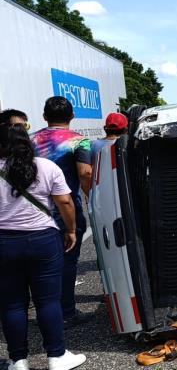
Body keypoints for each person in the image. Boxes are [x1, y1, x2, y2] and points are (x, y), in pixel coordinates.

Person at [0, 118, 87, 370]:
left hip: (4, 242)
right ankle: (57, 357)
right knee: (48, 301)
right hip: (43, 240)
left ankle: (19, 361)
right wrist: (70, 230)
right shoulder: (46, 167)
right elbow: (66, 202)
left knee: (12, 304)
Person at [31, 97, 93, 329]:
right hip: (66, 207)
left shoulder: (30, 140)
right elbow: (85, 174)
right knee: (67, 261)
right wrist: (91, 198)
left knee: (40, 264)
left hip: (34, 210)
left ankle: (44, 311)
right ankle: (66, 311)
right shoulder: (79, 142)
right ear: (72, 115)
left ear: (45, 116)